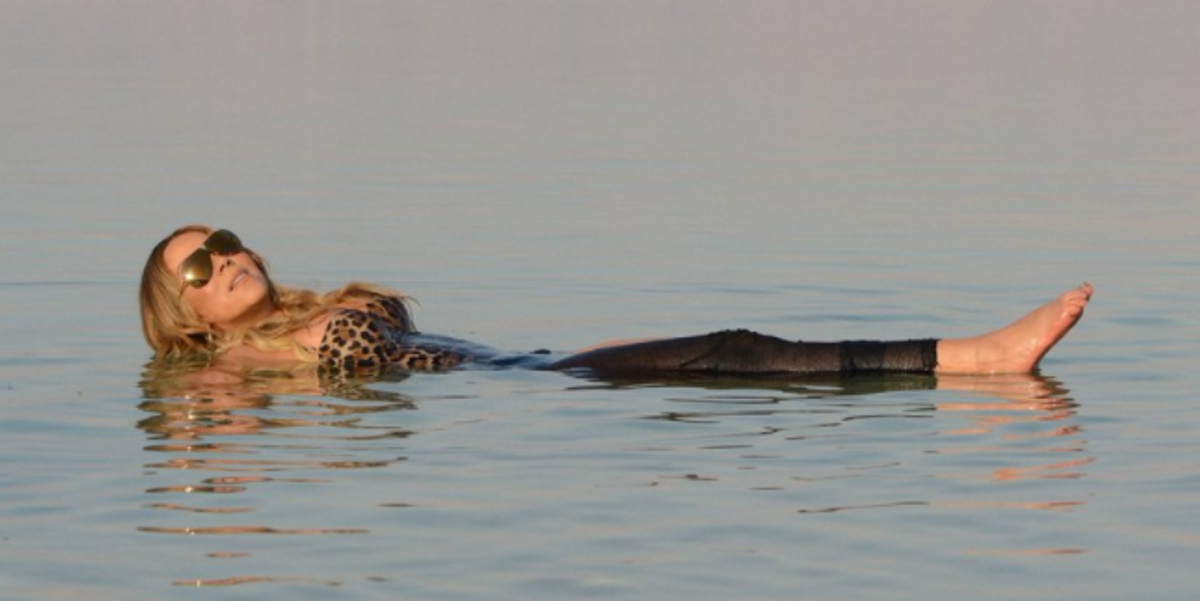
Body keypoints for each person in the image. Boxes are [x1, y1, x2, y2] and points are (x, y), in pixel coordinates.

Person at [139, 225, 1092, 377]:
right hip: (523, 389)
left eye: (222, 243)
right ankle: (978, 356)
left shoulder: (279, 327)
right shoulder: (231, 363)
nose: (220, 261)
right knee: (735, 348)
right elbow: (216, 400)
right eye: (196, 269)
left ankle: (973, 359)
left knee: (733, 342)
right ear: (183, 316)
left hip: (528, 367)